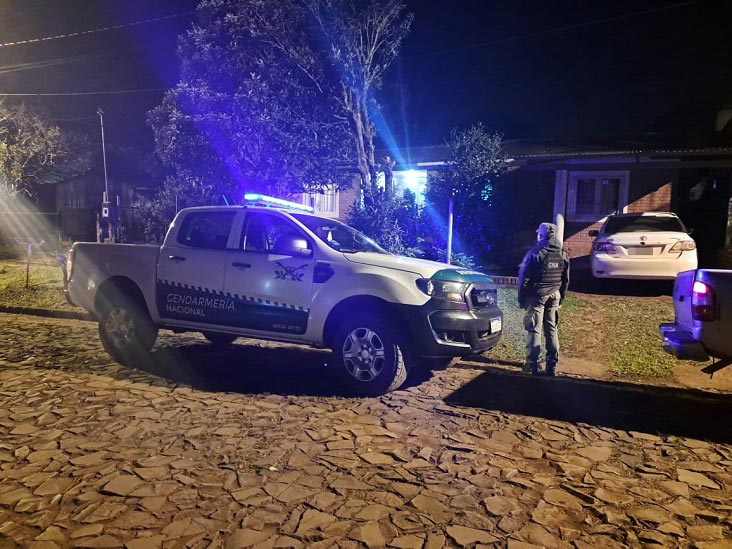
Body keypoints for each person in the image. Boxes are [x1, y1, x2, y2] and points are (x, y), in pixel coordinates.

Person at [518, 222, 570, 376]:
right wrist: (561, 300)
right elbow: (566, 279)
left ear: (540, 235)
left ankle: (532, 365)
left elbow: (524, 278)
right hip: (555, 294)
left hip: (538, 296)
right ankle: (551, 366)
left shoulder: (534, 253)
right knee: (551, 329)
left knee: (534, 329)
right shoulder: (563, 253)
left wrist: (521, 298)